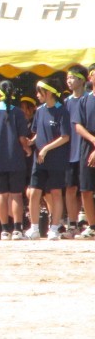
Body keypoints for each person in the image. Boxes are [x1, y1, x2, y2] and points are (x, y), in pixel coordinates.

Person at [0, 80, 32, 240]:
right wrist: (28, 149)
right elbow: (22, 138)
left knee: (1, 195)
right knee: (16, 195)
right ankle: (17, 229)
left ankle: (4, 230)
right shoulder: (18, 112)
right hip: (15, 158)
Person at [23, 78, 70, 240]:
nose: (37, 95)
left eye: (39, 92)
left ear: (49, 92)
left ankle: (54, 228)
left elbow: (65, 137)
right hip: (39, 160)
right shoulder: (40, 110)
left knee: (56, 193)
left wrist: (45, 149)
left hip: (56, 160)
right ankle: (34, 228)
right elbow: (38, 133)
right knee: (34, 193)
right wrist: (31, 142)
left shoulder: (62, 111)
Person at [62, 65, 87, 238]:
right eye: (67, 78)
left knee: (87, 189)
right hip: (70, 153)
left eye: (72, 77)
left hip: (87, 150)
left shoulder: (89, 99)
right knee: (70, 188)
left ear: (82, 80)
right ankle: (72, 225)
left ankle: (89, 223)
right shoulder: (66, 102)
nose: (69, 81)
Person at [75, 64, 95, 239]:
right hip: (88, 144)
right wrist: (93, 140)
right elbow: (78, 125)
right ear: (90, 77)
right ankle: (92, 226)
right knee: (86, 189)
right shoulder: (84, 100)